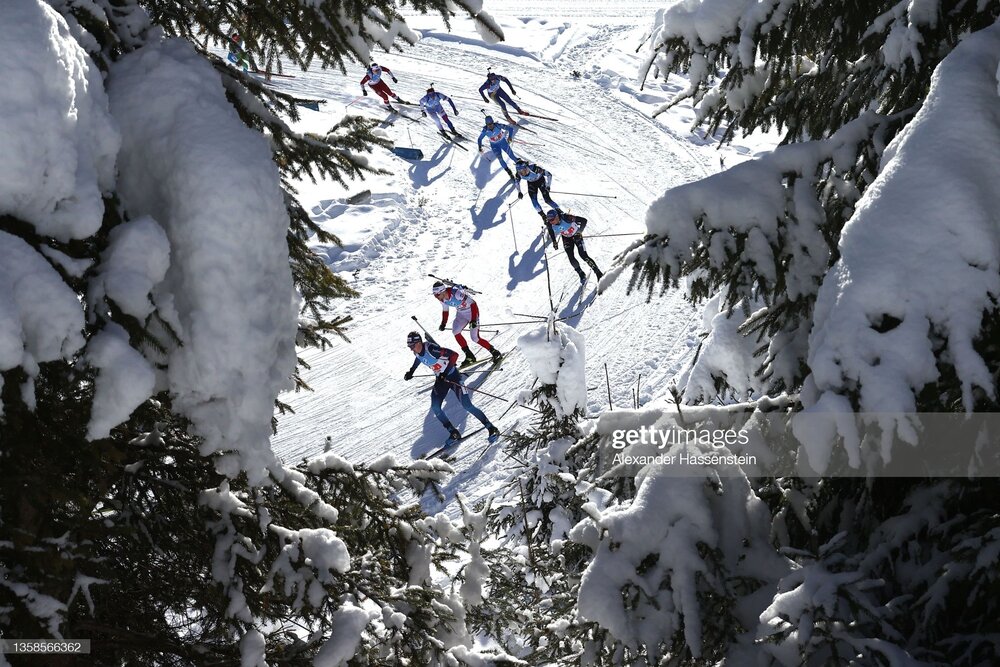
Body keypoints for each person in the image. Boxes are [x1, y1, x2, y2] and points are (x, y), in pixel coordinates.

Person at [404, 331, 500, 446]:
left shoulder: (432, 349)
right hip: (441, 380)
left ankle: (491, 428)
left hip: (453, 377)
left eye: (412, 346)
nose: (411, 349)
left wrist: (445, 372)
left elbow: (454, 355)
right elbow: (419, 358)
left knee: (467, 405)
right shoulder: (416, 352)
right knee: (435, 407)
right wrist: (411, 371)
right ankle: (453, 433)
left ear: (419, 342)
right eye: (410, 346)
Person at [433, 281, 503, 366]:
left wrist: (473, 320)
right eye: (435, 295)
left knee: (475, 338)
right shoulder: (442, 299)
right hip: (461, 314)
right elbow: (445, 310)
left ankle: (495, 352)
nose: (436, 297)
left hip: (471, 312)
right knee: (455, 331)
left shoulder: (456, 294)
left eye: (437, 294)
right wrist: (443, 323)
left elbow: (473, 303)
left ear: (442, 291)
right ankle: (469, 355)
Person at [545, 209, 604, 283]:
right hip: (566, 238)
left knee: (583, 255)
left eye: (552, 219)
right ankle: (581, 273)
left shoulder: (566, 217)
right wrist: (554, 241)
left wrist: (579, 232)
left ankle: (598, 273)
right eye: (549, 220)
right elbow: (550, 230)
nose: (551, 222)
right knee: (571, 258)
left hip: (576, 235)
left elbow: (584, 220)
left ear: (557, 216)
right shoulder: (550, 224)